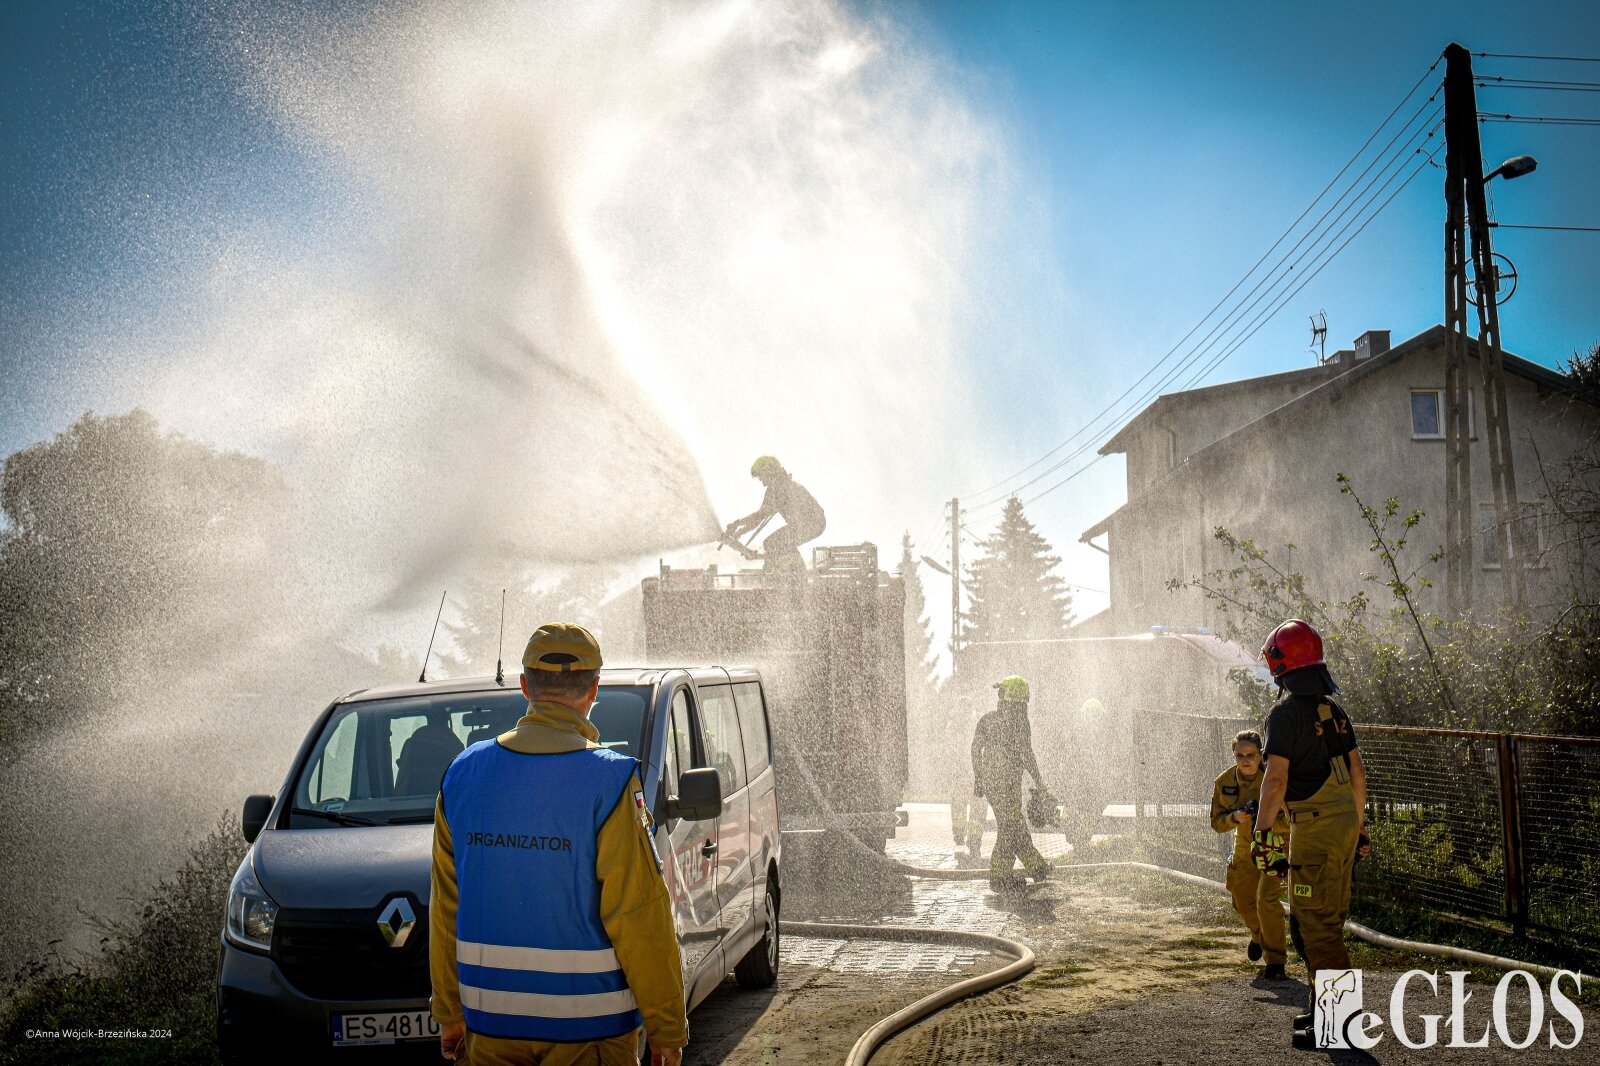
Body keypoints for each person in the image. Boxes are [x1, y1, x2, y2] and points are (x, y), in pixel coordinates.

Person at [429, 622, 688, 1066]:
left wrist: (449, 1013)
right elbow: (638, 913)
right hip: (591, 1034)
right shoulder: (610, 780)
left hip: (491, 1027)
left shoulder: (462, 775)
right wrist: (666, 1028)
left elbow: (445, 910)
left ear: (525, 686)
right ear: (594, 690)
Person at [1250, 619, 1372, 1045]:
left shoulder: (1283, 716)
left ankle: (1340, 1024)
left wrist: (1262, 831)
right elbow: (1358, 774)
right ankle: (1327, 1010)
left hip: (1315, 829)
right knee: (1330, 919)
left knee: (1315, 924)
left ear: (1282, 664)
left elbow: (1276, 780)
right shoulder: (1335, 713)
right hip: (1343, 825)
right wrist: (1357, 829)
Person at [1209, 729, 1289, 980]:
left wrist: (1268, 819)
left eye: (1251, 755)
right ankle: (1257, 935)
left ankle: (1275, 961)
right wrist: (1234, 817)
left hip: (1274, 847)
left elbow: (1292, 818)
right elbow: (1216, 822)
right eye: (1239, 755)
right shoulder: (1224, 782)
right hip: (1244, 848)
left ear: (1260, 755)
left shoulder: (1275, 779)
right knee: (1242, 902)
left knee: (1267, 900)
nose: (1245, 760)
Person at [971, 675, 1054, 892]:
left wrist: (979, 777)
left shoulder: (987, 720)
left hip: (993, 784)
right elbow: (1027, 754)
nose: (998, 696)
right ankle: (1000, 879)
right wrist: (1040, 783)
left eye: (1001, 692)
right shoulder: (1019, 722)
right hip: (1006, 784)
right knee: (1010, 827)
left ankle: (1037, 868)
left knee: (1013, 826)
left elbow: (975, 749)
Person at [724, 456, 826, 574]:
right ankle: (792, 572)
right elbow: (759, 518)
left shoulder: (782, 488)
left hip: (813, 523)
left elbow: (760, 516)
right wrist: (739, 529)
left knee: (773, 543)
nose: (762, 482)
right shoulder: (775, 488)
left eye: (761, 477)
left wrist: (739, 528)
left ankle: (793, 573)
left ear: (769, 471)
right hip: (807, 524)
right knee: (775, 544)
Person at [394, 708, 464, 795]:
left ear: (427, 717)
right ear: (447, 717)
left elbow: (401, 784)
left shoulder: (413, 743)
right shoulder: (455, 744)